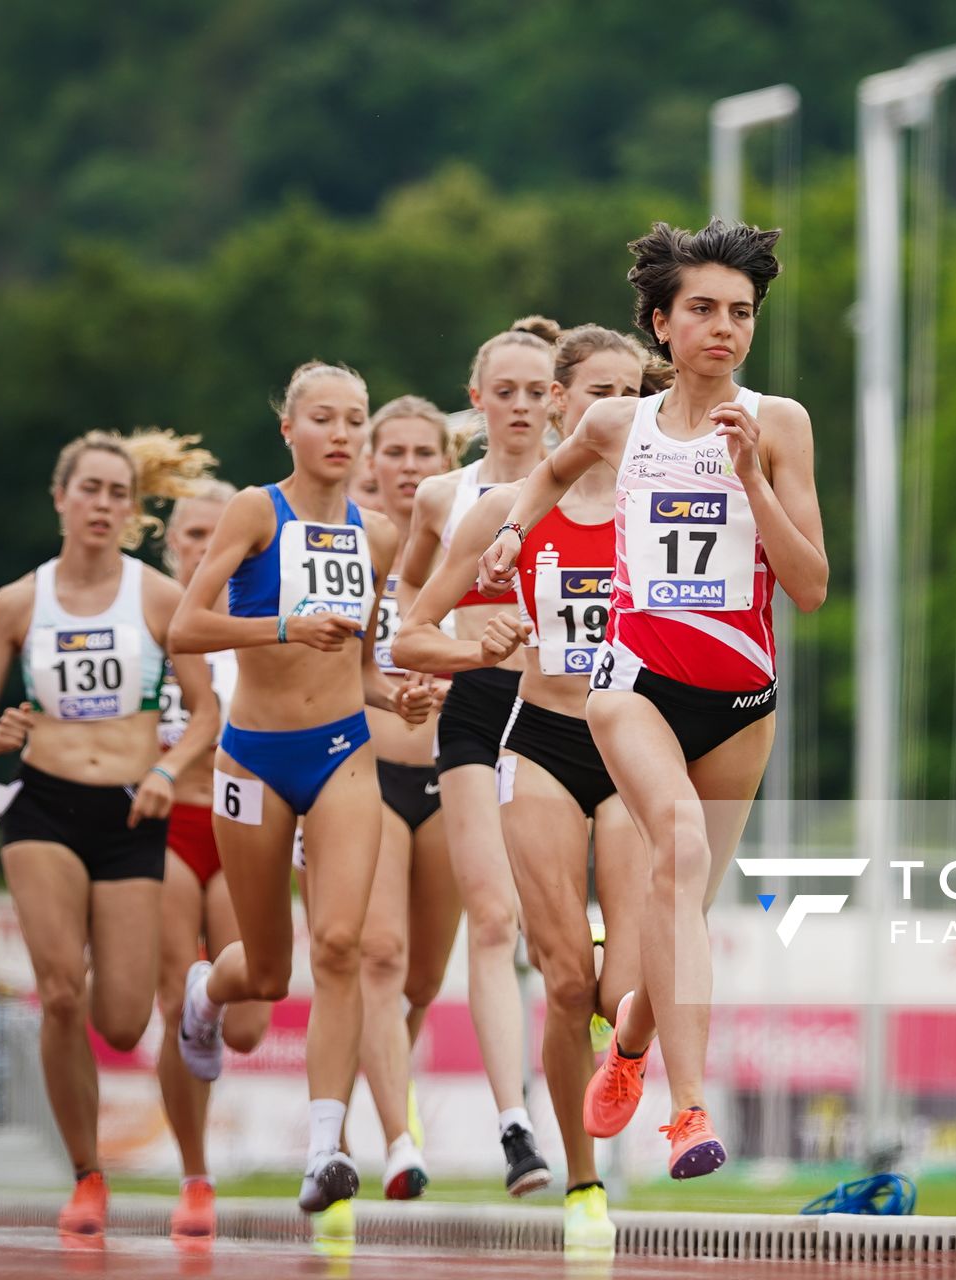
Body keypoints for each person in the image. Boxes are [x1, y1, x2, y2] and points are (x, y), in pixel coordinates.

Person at [480, 220, 827, 1181]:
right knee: (673, 845)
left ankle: (630, 1040)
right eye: (705, 310)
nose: (726, 328)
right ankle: (688, 1115)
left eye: (743, 313)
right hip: (633, 684)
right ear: (662, 326)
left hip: (742, 700)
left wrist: (752, 476)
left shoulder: (781, 422)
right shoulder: (617, 425)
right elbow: (545, 476)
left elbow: (810, 586)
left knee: (681, 909)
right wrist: (513, 532)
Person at [396, 322, 650, 1249]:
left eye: (635, 394)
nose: (617, 412)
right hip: (537, 739)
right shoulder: (506, 507)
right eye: (597, 394)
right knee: (566, 974)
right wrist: (474, 647)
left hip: (634, 742)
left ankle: (625, 1066)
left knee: (624, 980)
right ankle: (583, 1184)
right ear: (559, 404)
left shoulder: (664, 505)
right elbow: (408, 633)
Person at [167, 361, 434, 1216]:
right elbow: (186, 624)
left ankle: (326, 1149)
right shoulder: (256, 510)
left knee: (342, 947)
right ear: (290, 428)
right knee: (272, 973)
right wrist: (282, 624)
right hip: (251, 758)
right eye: (324, 418)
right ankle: (207, 991)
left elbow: (361, 672)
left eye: (354, 418)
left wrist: (407, 693)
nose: (344, 434)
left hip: (343, 754)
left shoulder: (379, 534)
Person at [0, 427, 219, 1237]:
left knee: (123, 1020)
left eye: (118, 494)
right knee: (61, 992)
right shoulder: (16, 604)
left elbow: (207, 711)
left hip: (133, 815)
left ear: (133, 511)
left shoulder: (158, 600)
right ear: (61, 498)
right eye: (90, 489)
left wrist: (168, 774)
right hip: (43, 809)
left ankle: (111, 960)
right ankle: (87, 1174)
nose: (103, 505)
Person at [395, 319, 555, 1196]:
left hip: (568, 710)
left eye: (538, 391)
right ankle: (515, 1127)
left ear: (559, 399)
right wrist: (442, 667)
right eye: (507, 392)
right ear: (477, 400)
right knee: (491, 923)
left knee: (553, 934)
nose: (523, 406)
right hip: (475, 711)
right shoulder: (441, 499)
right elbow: (407, 623)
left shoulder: (584, 482)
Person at [152, 478, 274, 1240]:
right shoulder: (148, 615)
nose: (204, 547)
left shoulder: (264, 616)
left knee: (250, 1021)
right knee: (172, 1003)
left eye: (215, 533)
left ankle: (209, 996)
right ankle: (196, 1177)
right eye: (191, 536)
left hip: (246, 822)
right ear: (170, 546)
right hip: (165, 826)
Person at [351, 395, 463, 1199]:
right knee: (379, 956)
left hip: (452, 775)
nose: (411, 466)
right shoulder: (345, 545)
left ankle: (383, 1102)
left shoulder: (474, 532)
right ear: (371, 460)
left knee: (421, 981)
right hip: (362, 772)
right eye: (395, 452)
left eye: (427, 452)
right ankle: (396, 1139)